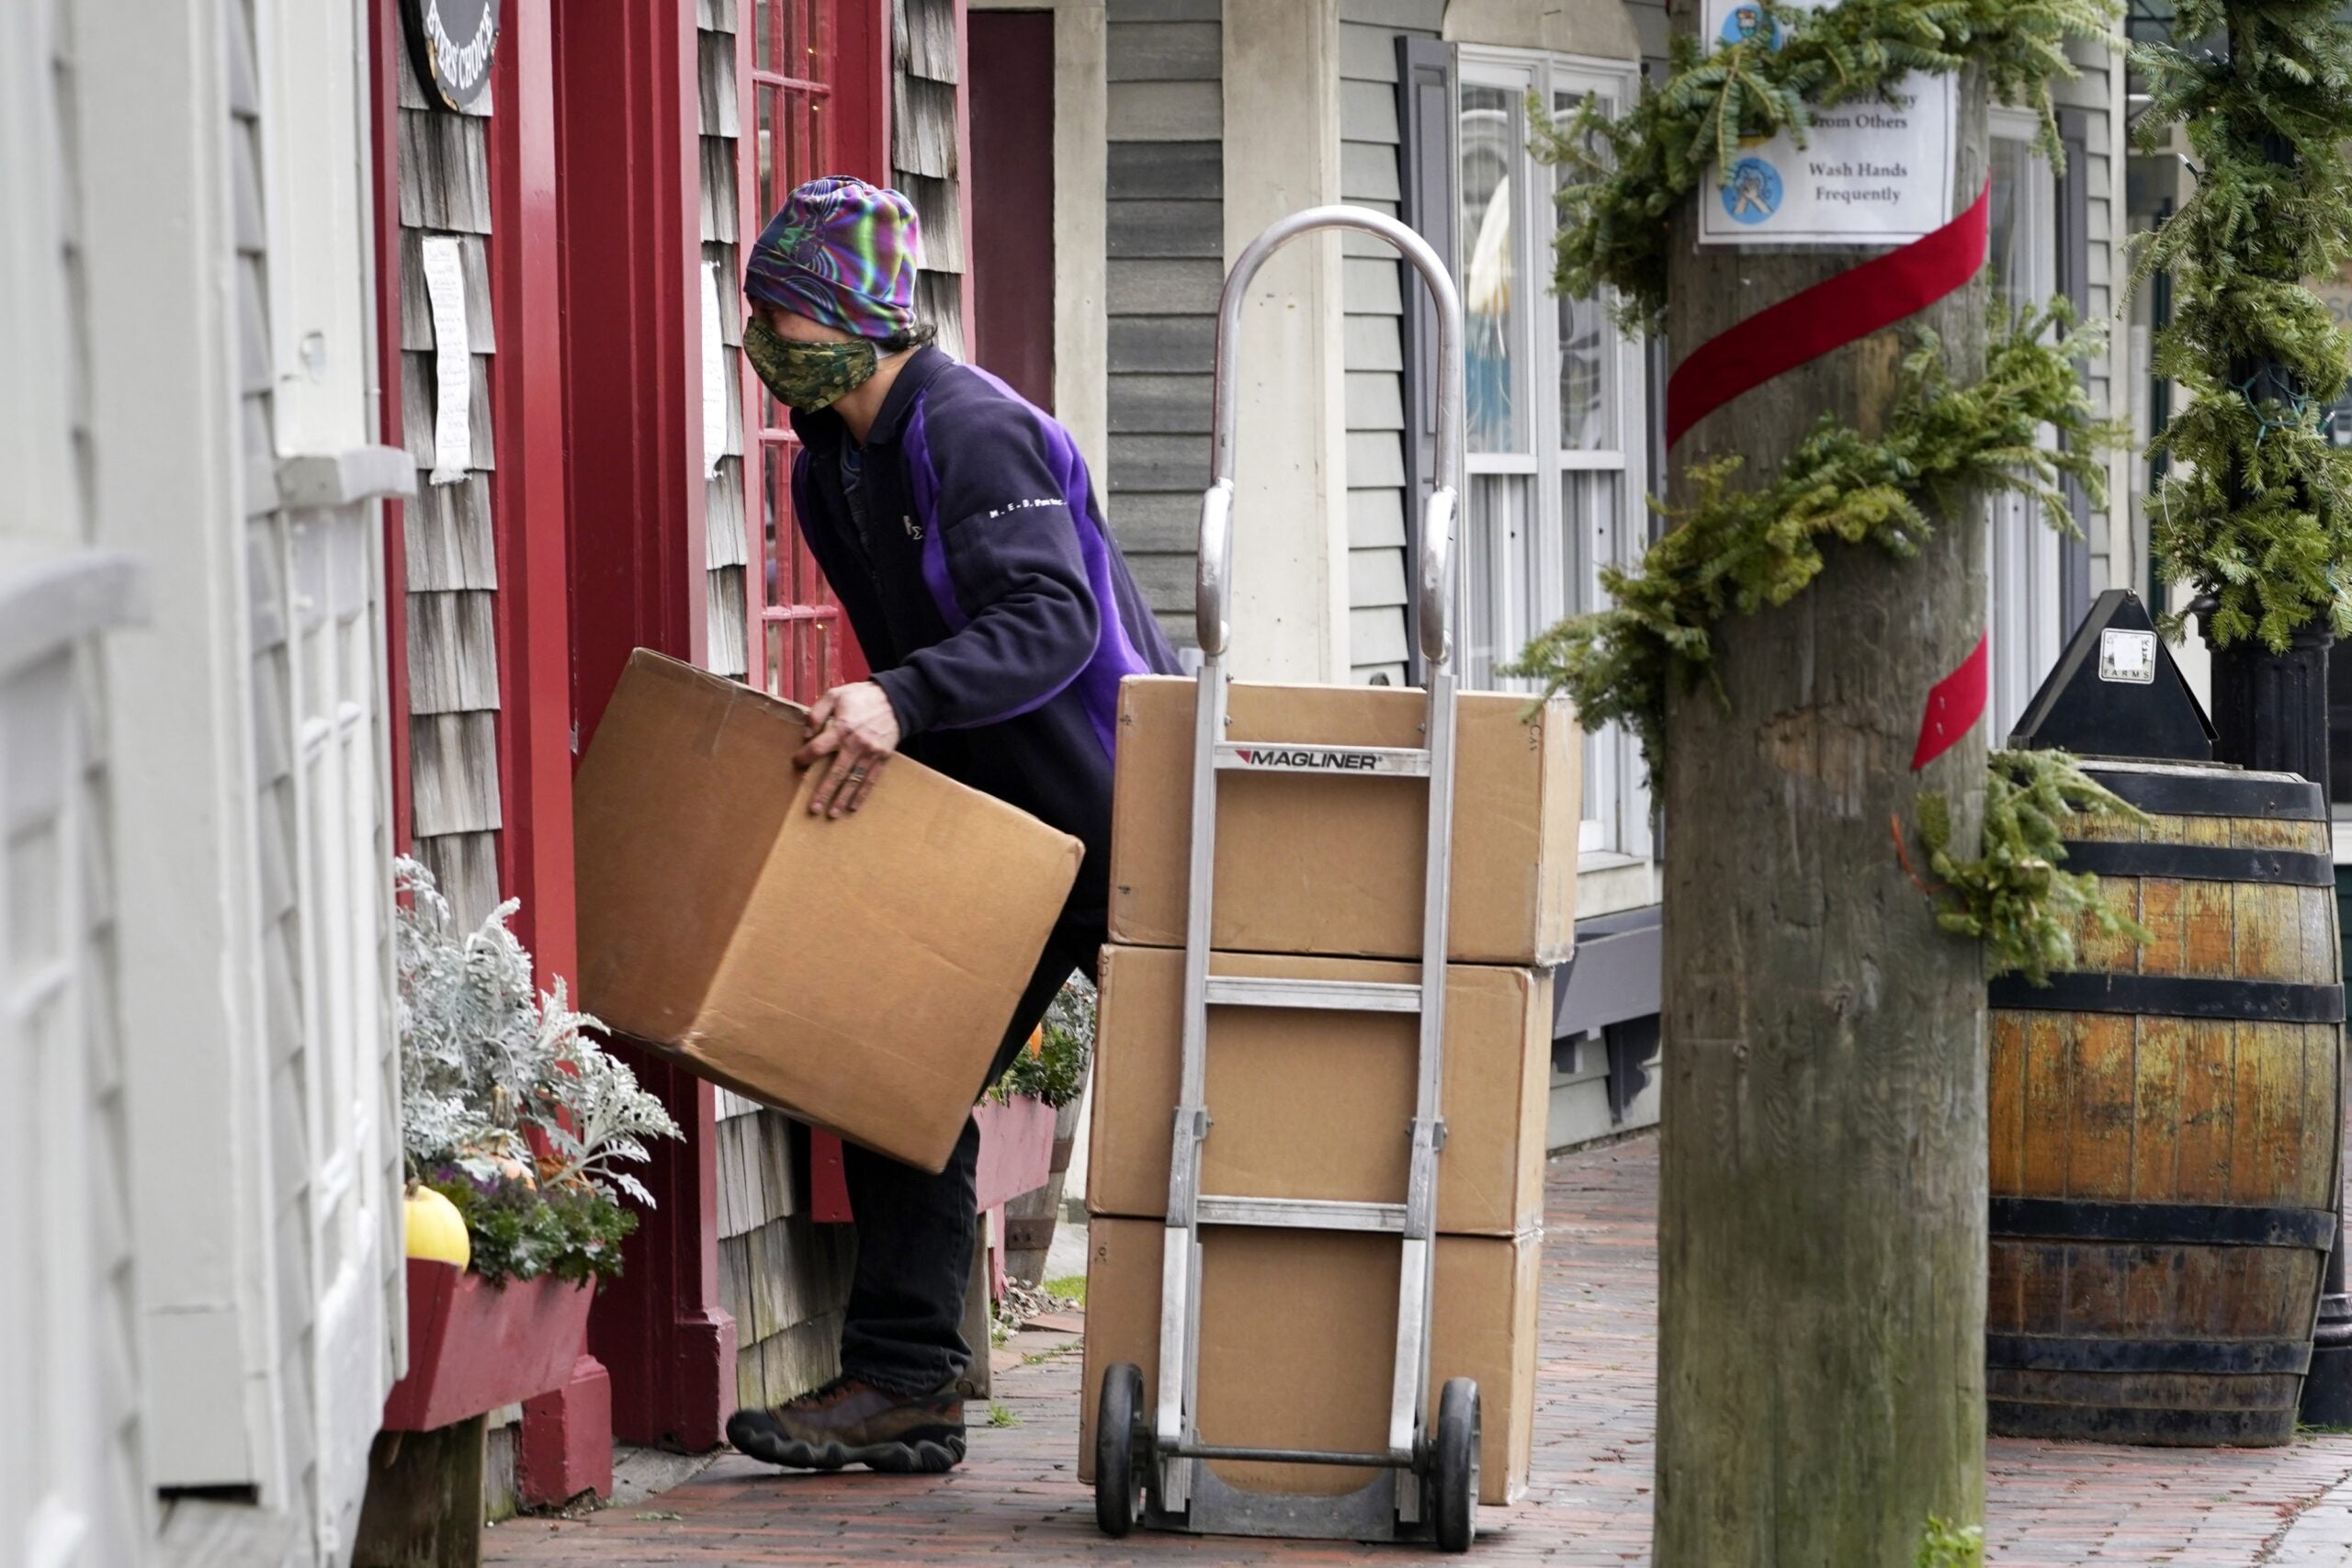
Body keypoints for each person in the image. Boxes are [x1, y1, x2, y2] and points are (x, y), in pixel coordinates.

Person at [722, 175, 1181, 1475]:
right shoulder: (832, 465)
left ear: (851, 317)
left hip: (1117, 818)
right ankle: (907, 1381)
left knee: (1211, 1102)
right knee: (893, 1060)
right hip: (994, 832)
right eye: (757, 314)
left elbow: (1052, 621)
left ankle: (1255, 1366)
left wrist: (898, 701)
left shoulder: (971, 428)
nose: (762, 341)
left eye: (781, 315)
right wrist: (898, 727)